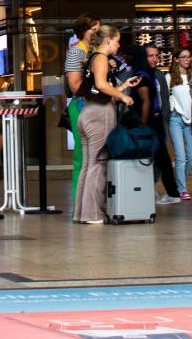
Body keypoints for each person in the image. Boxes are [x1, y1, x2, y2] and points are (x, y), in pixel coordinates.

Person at [71, 23, 137, 225]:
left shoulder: (92, 58)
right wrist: (123, 96)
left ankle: (81, 213)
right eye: (117, 42)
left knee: (88, 166)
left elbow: (98, 87)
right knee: (98, 165)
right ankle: (93, 214)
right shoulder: (101, 58)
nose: (118, 46)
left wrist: (123, 86)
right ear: (108, 40)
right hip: (99, 114)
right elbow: (101, 85)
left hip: (87, 112)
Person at [134, 44, 180, 203]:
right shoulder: (138, 74)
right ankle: (149, 190)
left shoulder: (159, 75)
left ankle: (172, 193)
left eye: (156, 55)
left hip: (158, 119)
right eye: (150, 56)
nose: (154, 59)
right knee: (145, 157)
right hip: (144, 120)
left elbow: (165, 98)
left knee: (162, 157)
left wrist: (164, 117)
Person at [64, 13, 100, 207]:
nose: (96, 33)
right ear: (83, 31)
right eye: (93, 29)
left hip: (91, 105)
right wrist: (99, 91)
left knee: (91, 157)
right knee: (82, 157)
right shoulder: (76, 52)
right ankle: (80, 205)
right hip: (81, 105)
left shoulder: (93, 51)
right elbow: (74, 85)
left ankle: (89, 202)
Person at [167, 45, 192, 202]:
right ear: (176, 59)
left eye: (189, 56)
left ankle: (178, 184)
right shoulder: (169, 78)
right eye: (183, 57)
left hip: (191, 121)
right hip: (175, 119)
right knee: (180, 157)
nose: (187, 59)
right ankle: (182, 189)